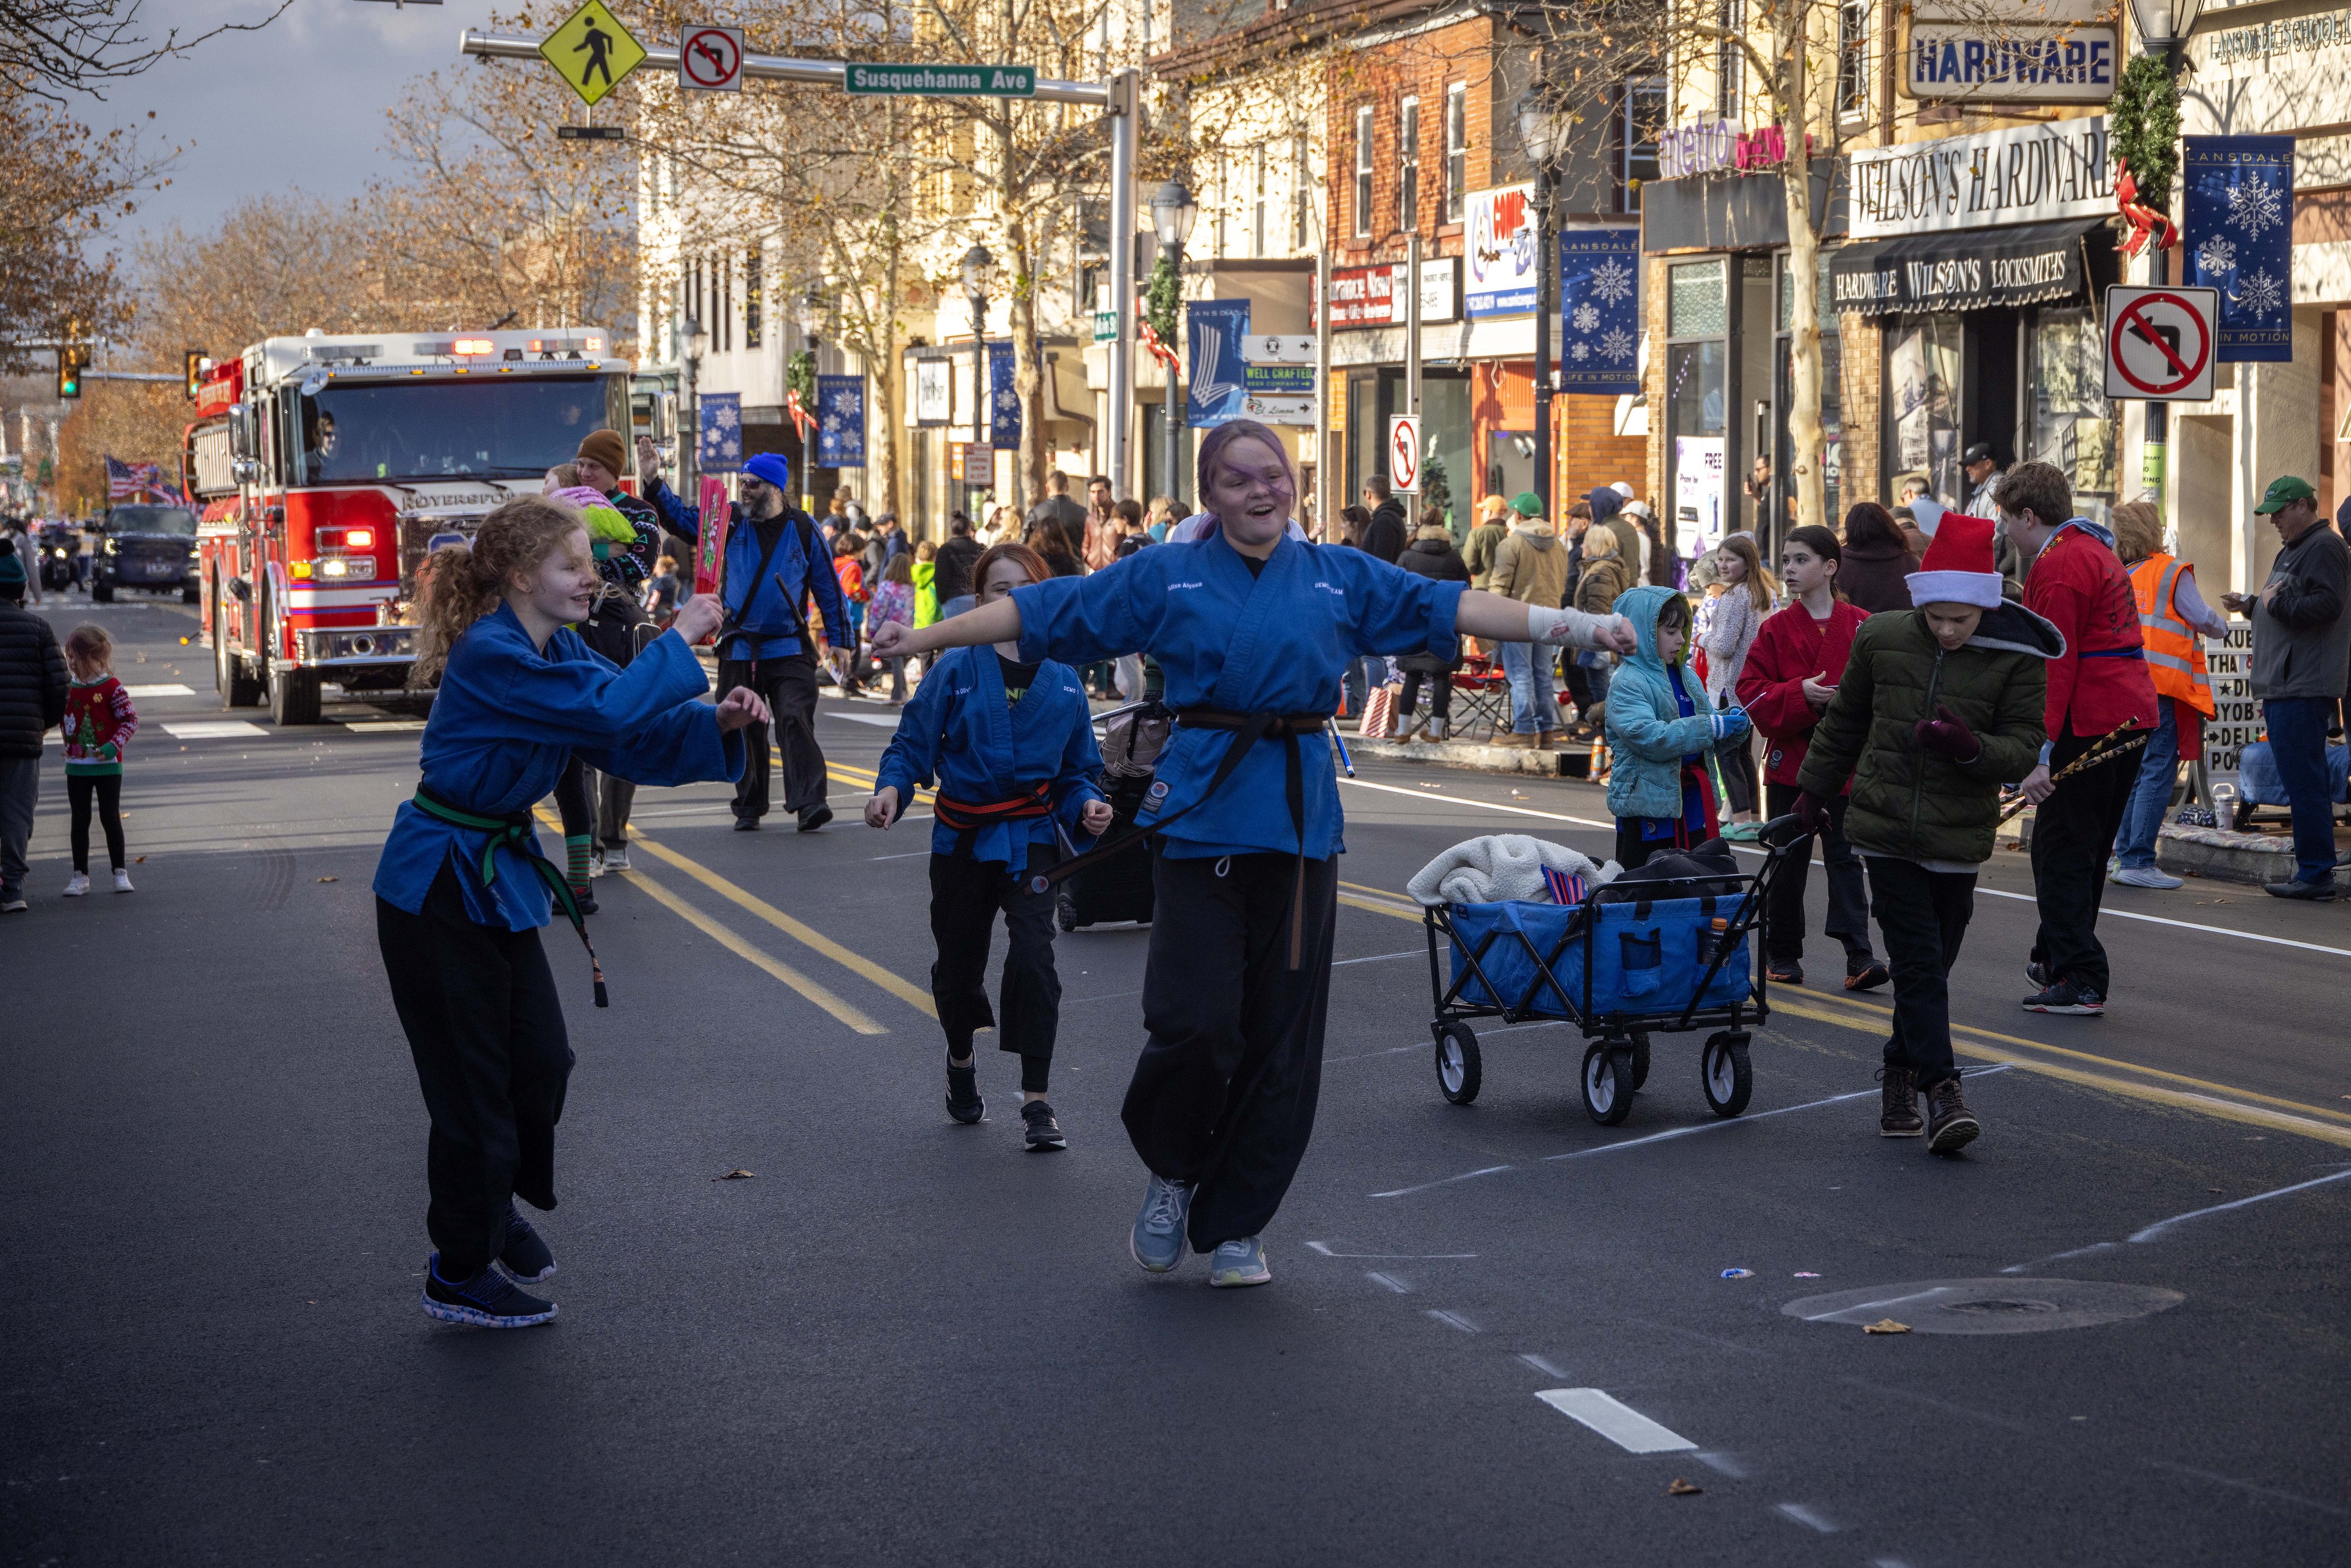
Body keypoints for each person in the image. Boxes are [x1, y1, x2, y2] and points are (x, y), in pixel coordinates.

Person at [870, 418, 1634, 1287]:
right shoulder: (1165, 573)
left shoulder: (1338, 574)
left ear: (1293, 482)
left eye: (1272, 473)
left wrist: (1580, 626)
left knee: (1282, 1040)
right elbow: (1046, 610)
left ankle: (1238, 1224)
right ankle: (1172, 1170)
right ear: (1210, 494)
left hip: (1299, 829)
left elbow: (1453, 606)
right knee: (1192, 1023)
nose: (1260, 490)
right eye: (1237, 479)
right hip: (1201, 819)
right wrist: (923, 639)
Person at [375, 496, 766, 1328]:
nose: (591, 579)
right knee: (472, 1092)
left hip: (492, 882)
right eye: (572, 565)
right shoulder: (492, 652)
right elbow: (607, 710)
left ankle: (491, 1203)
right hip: (436, 886)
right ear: (522, 577)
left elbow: (625, 736)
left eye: (590, 564)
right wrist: (680, 636)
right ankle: (457, 1268)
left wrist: (718, 722)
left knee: (543, 1063)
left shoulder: (557, 650)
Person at [1792, 511, 2057, 1153]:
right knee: (1915, 963)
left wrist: (1970, 748)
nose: (1945, 629)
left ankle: (1897, 1072)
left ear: (1984, 608)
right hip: (1881, 827)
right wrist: (1812, 793)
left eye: (1959, 619)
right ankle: (1943, 1091)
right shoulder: (1881, 637)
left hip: (1958, 833)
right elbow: (1844, 721)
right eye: (1934, 616)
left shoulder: (2016, 656)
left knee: (1931, 968)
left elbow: (2024, 743)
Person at [867, 541, 1114, 1150]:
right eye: (1001, 591)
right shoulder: (954, 669)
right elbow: (911, 746)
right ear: (980, 601)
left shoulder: (1063, 680)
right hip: (964, 835)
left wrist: (1087, 803)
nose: (1013, 602)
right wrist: (891, 790)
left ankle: (1037, 1100)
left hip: (1031, 836)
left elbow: (1078, 771)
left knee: (1035, 957)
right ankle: (960, 1056)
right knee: (958, 967)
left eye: (1025, 590)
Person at [1922, 462, 2157, 1015]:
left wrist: (2038, 754)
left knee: (2060, 851)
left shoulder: (2059, 566)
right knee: (2086, 849)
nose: (2004, 532)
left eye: (2007, 520)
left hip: (2091, 719)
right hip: (2128, 713)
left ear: (2029, 516)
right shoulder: (2092, 548)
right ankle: (2055, 956)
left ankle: (2079, 973)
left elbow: (2055, 664)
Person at [642, 450, 848, 833]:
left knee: (795, 717)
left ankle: (810, 802)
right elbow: (683, 520)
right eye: (742, 483)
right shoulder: (730, 520)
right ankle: (750, 804)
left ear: (775, 488)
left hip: (789, 646)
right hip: (739, 645)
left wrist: (841, 641)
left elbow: (829, 588)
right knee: (742, 724)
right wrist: (654, 482)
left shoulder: (804, 528)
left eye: (753, 484)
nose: (745, 490)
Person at [1736, 526, 1886, 991]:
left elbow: (1886, 688)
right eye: (1786, 560)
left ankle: (1860, 954)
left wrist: (1848, 705)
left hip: (1846, 764)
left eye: (1801, 560)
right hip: (1792, 763)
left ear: (1830, 567)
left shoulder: (1863, 624)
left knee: (1847, 861)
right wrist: (1799, 693)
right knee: (1788, 862)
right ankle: (1783, 953)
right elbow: (1749, 692)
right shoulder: (1775, 628)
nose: (1789, 569)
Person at [2221, 478, 2351, 901]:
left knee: (2305, 782)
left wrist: (2273, 604)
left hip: (2302, 685)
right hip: (2285, 684)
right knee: (2301, 782)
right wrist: (2253, 605)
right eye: (2270, 513)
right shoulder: (2296, 548)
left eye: (2279, 511)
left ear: (2303, 506)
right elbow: (2285, 604)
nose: (2273, 519)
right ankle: (2313, 869)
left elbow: (2327, 606)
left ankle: (2316, 874)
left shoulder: (2324, 547)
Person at [2109, 502, 2224, 891]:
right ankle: (2138, 860)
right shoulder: (2171, 571)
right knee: (2158, 769)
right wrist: (2224, 627)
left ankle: (2123, 855)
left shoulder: (2120, 574)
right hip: (2162, 686)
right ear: (2152, 532)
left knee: (2134, 772)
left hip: (2124, 687)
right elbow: (2203, 618)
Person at [1603, 585, 1749, 867]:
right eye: (1671, 631)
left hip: (1693, 806)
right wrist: (1711, 727)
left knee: (1697, 884)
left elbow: (1707, 734)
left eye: (1683, 630)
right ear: (1641, 633)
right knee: (1646, 887)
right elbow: (1649, 737)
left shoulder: (1687, 677)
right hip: (1649, 812)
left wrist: (1730, 724)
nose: (1682, 640)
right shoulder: (1628, 682)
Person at [0, 539, 67, 913]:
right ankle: (12, 887)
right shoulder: (38, 630)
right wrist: (42, 724)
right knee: (17, 812)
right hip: (22, 738)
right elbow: (59, 688)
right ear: (20, 589)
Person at [1701, 533, 1778, 838]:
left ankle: (1740, 818)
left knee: (1727, 753)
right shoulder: (1761, 592)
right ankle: (1754, 817)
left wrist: (1702, 638)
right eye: (1720, 559)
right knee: (1744, 754)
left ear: (1747, 562)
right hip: (1750, 685)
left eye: (1730, 559)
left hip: (1728, 685)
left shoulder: (1734, 597)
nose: (1723, 565)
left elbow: (1723, 645)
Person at [59, 623, 138, 896]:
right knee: (79, 820)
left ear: (96, 657)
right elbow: (61, 716)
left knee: (110, 817)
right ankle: (80, 876)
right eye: (69, 657)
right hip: (77, 766)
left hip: (108, 766)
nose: (72, 663)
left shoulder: (111, 687)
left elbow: (130, 720)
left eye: (77, 657)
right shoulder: (68, 689)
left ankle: (120, 873)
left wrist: (113, 746)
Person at [1487, 491, 1571, 747]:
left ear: (1519, 515)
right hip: (1549, 618)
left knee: (1521, 674)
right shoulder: (1558, 545)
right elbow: (1562, 583)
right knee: (1543, 675)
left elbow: (1499, 587)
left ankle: (1523, 730)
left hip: (1519, 617)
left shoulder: (1511, 545)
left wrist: (1492, 620)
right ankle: (1545, 732)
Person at [1395, 512, 1470, 742]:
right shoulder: (1454, 557)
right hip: (1445, 622)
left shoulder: (1408, 556)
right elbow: (1466, 589)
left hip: (1414, 624)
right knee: (1442, 677)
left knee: (1412, 676)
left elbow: (1396, 589)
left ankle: (1403, 730)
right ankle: (1436, 732)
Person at [572, 431, 659, 595]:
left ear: (613, 470)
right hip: (567, 610)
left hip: (619, 608)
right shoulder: (566, 507)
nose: (584, 473)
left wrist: (574, 567)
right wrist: (602, 552)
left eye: (594, 466)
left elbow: (641, 566)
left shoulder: (640, 512)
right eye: (581, 464)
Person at [1571, 525, 1631, 732]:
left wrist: (1592, 635)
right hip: (1604, 635)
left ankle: (1604, 731)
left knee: (1599, 685)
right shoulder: (1604, 568)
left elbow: (1599, 608)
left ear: (1595, 545)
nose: (1582, 546)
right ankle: (1603, 729)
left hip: (1598, 638)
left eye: (1585, 542)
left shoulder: (1600, 571)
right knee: (1601, 684)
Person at [1838, 502, 1921, 615]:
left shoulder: (1840, 566)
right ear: (1889, 526)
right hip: (1905, 626)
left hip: (1860, 626)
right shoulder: (1911, 561)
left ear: (1850, 530)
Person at [868, 552, 918, 703]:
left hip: (889, 629)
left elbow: (878, 609)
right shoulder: (911, 588)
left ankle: (898, 695)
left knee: (895, 661)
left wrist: (873, 629)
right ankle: (902, 692)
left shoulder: (887, 587)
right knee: (898, 660)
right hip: (907, 629)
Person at [936, 512, 984, 620]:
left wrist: (942, 599)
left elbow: (941, 577)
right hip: (975, 597)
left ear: (952, 530)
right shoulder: (980, 548)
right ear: (968, 529)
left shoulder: (945, 550)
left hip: (953, 599)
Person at [1026, 471, 1090, 546]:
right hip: (1074, 553)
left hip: (1043, 553)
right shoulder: (1082, 512)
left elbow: (1022, 543)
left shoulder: (1035, 513)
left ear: (1047, 488)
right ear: (1067, 487)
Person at [1462, 495, 1511, 591]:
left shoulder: (1477, 533)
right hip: (1506, 590)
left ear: (1490, 512)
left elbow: (1468, 566)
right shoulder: (1511, 533)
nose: (1482, 514)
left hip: (1482, 589)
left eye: (1482, 511)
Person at [1360, 476, 1409, 563]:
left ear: (1368, 494)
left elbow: (1381, 560)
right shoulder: (1392, 516)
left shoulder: (1384, 520)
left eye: (1365, 493)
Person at [1962, 443, 2003, 517]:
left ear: (1988, 464)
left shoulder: (1997, 489)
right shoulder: (1982, 487)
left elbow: (1996, 524)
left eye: (1972, 463)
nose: (1967, 469)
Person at [643, 554, 684, 626]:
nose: (654, 569)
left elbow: (656, 594)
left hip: (658, 611)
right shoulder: (672, 579)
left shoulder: (662, 580)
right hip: (668, 610)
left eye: (656, 567)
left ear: (663, 568)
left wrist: (649, 610)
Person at [911, 539, 940, 629]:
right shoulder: (938, 574)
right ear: (935, 557)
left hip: (916, 622)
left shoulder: (912, 573)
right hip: (936, 622)